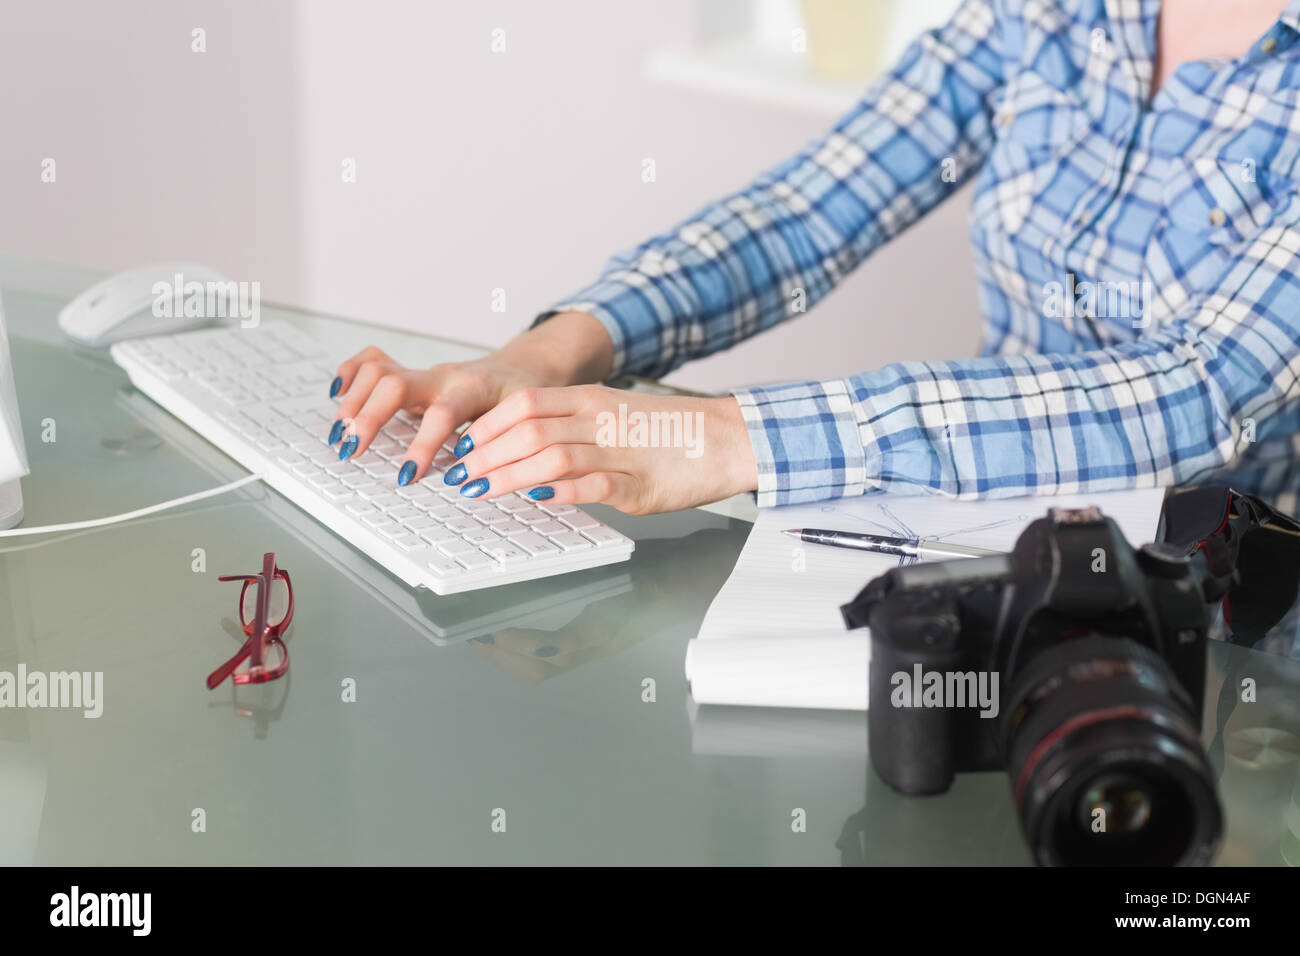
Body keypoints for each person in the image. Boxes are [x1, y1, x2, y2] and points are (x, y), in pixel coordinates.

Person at [327, 0, 1300, 517]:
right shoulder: (1044, 10)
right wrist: (547, 354)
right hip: (988, 533)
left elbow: (1194, 391)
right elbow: (808, 212)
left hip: (1240, 636)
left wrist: (725, 438)